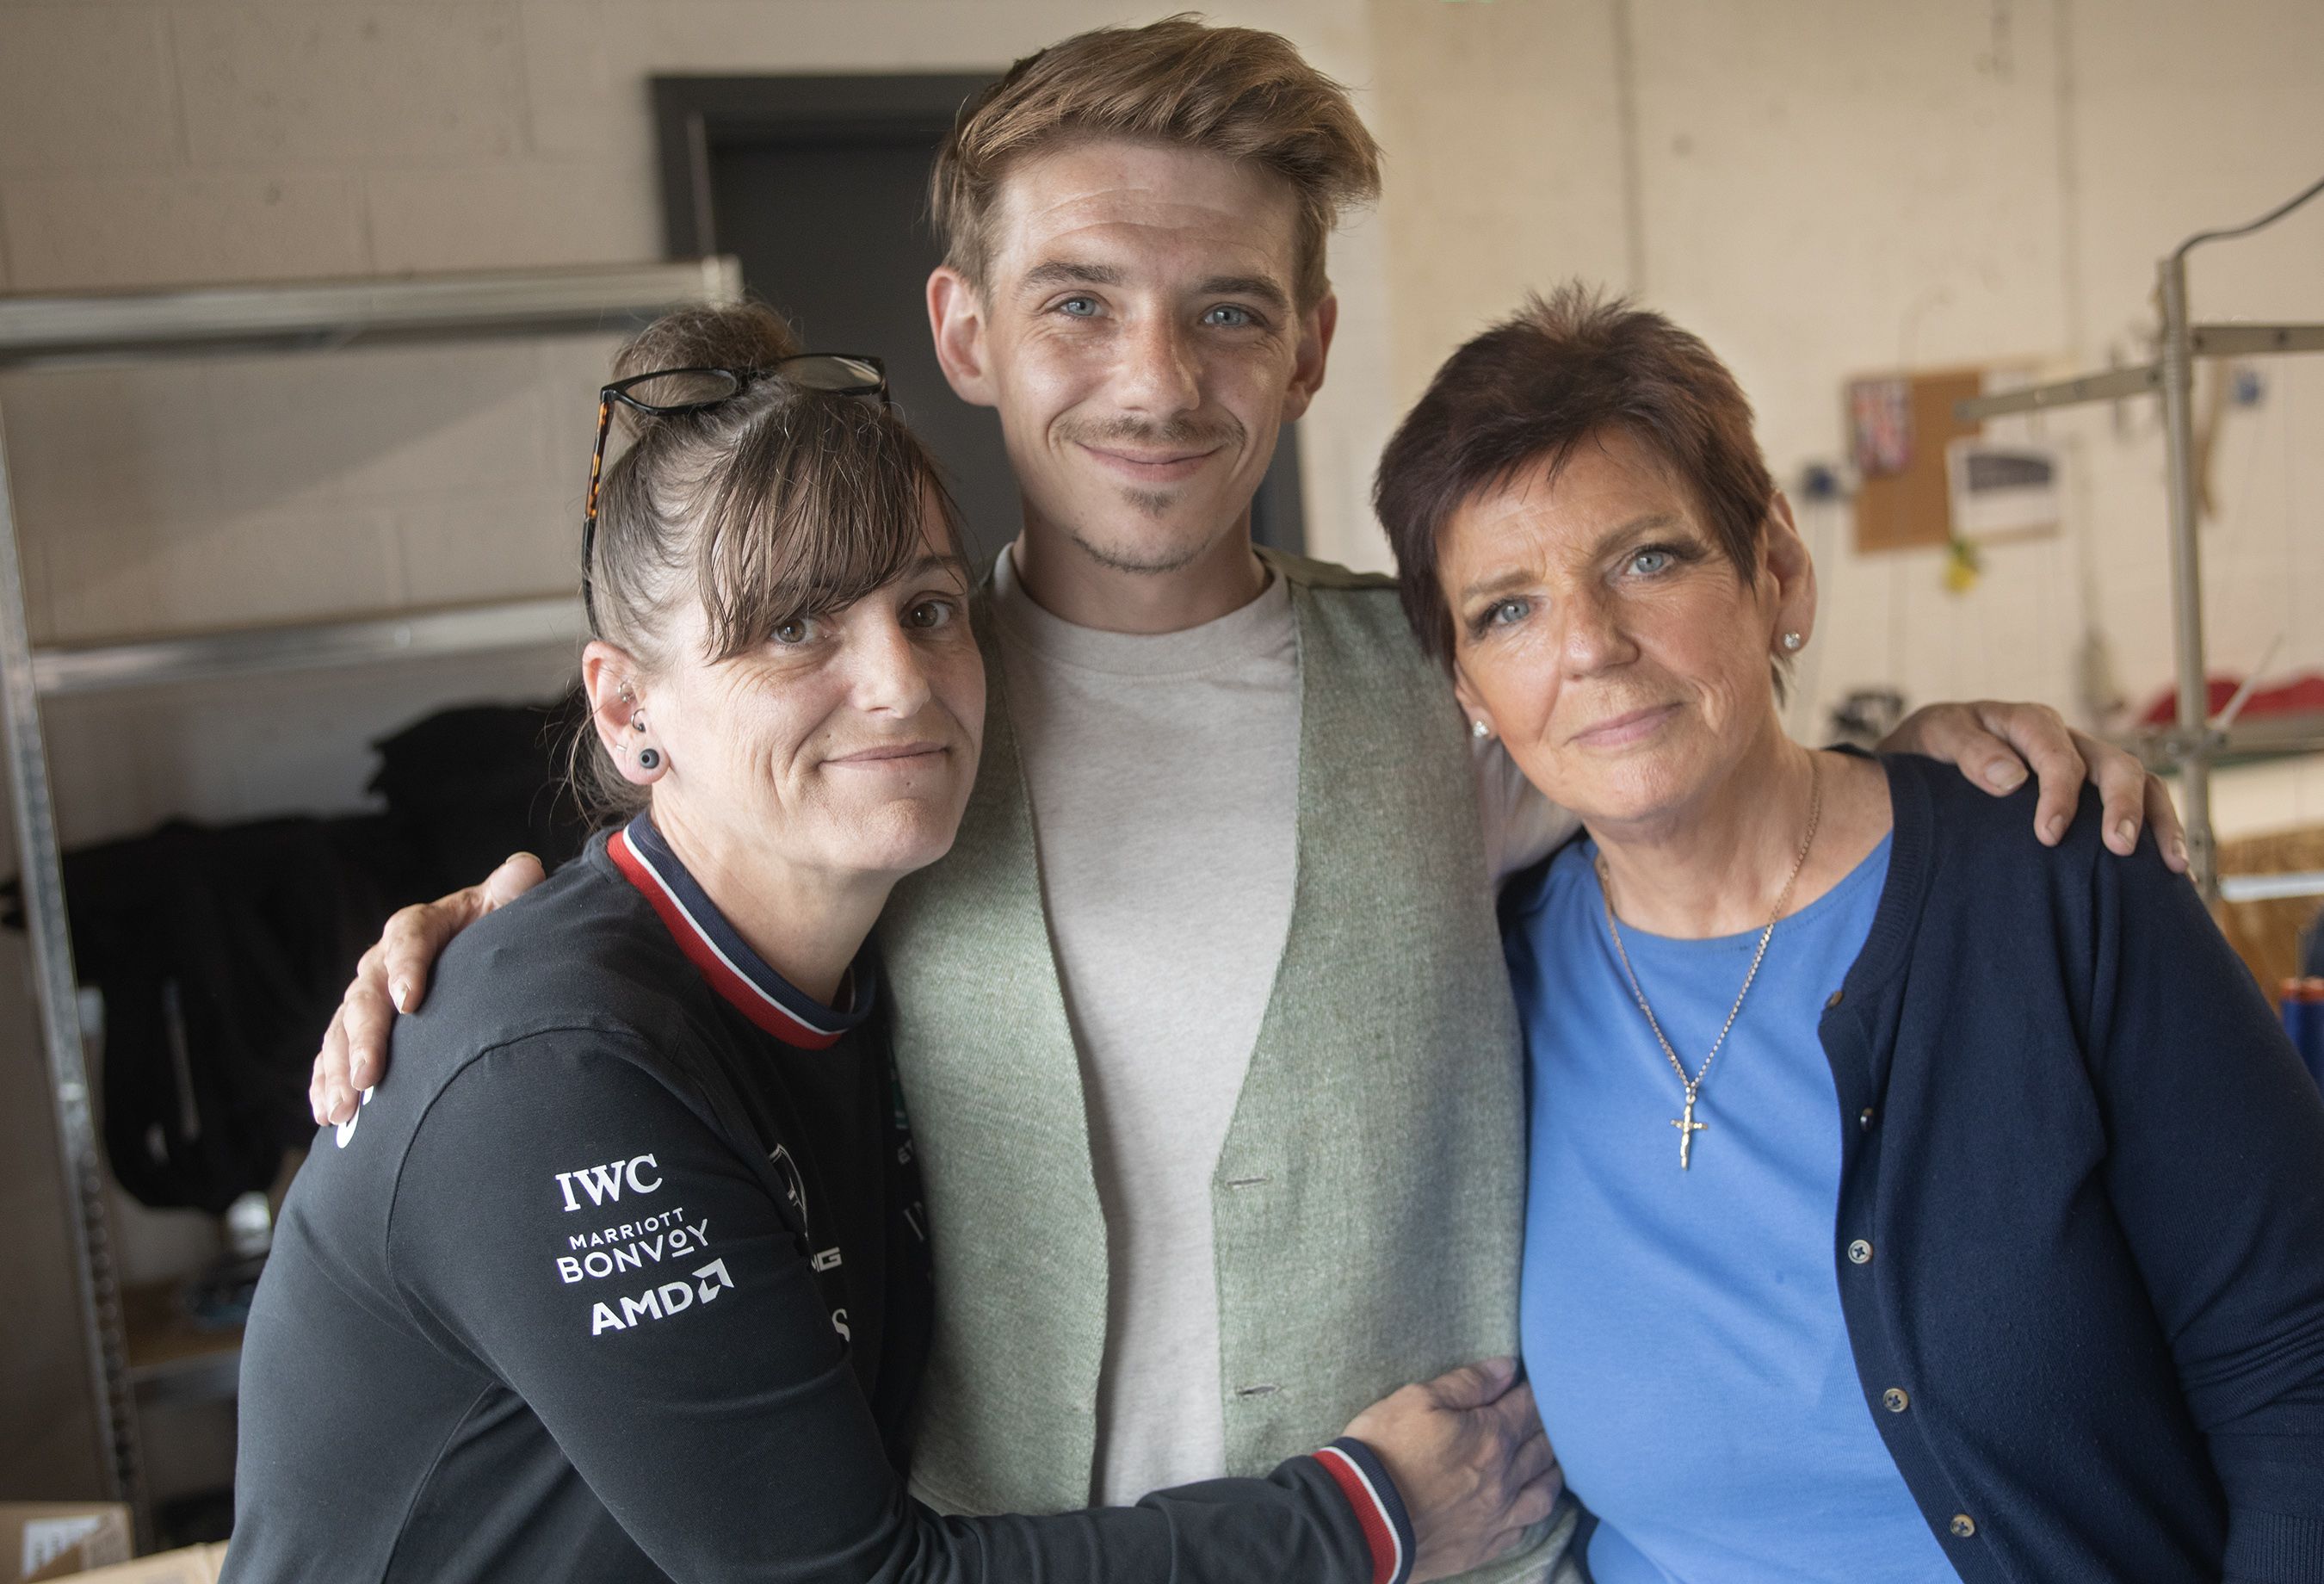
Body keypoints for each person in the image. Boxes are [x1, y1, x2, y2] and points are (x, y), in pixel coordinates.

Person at [307, 22, 2181, 1584]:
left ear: (1308, 346)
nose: (1155, 380)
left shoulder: (1456, 690)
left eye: (1226, 311)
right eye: (1078, 303)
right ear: (965, 332)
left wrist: (1936, 740)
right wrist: (495, 947)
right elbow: (688, 929)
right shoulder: (892, 746)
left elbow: (1701, 748)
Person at [225, 301, 1561, 1584]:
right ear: (629, 705)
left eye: (926, 610)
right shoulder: (553, 1076)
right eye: (794, 626)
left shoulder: (848, 970)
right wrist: (1361, 1516)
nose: (900, 683)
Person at [1375, 284, 2324, 1582]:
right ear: (1467, 688)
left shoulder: (2050, 882)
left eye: (1648, 559)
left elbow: (2295, 1366)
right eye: (1507, 610)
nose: (1588, 646)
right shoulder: (1483, 983)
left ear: (1776, 573)